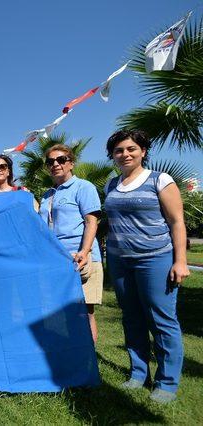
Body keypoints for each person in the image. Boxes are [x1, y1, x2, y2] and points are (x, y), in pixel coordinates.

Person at [104, 129, 189, 403]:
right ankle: (139, 374)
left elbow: (177, 222)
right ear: (113, 155)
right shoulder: (111, 184)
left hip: (155, 259)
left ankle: (167, 383)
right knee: (132, 318)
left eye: (131, 149)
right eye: (119, 150)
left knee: (162, 320)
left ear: (142, 151)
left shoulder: (159, 180)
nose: (125, 154)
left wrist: (180, 261)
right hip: (120, 261)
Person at [38, 144, 102, 343]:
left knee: (84, 312)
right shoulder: (47, 195)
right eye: (50, 162)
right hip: (54, 261)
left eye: (61, 160)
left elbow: (92, 221)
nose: (55, 164)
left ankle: (88, 362)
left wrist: (85, 251)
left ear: (71, 163)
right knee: (57, 311)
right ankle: (67, 358)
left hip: (78, 257)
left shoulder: (84, 187)